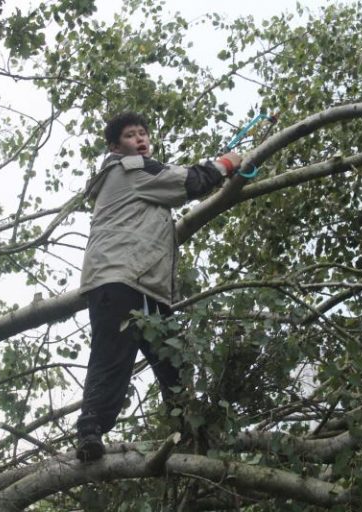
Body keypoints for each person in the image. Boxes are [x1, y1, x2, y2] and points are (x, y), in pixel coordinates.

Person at [76, 112, 242, 462]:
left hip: (143, 286)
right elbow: (189, 182)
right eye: (130, 135)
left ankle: (190, 431)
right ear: (115, 147)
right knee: (112, 358)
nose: (140, 139)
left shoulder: (136, 176)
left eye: (143, 133)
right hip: (120, 279)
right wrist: (226, 163)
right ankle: (90, 431)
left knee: (172, 362)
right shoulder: (131, 169)